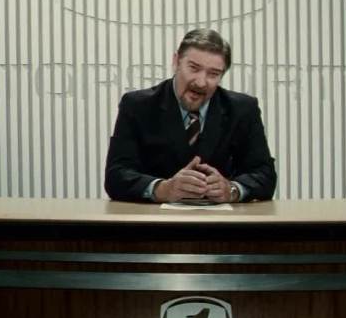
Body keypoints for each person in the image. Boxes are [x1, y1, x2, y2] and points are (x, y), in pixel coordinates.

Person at [104, 28, 277, 203]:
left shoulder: (243, 109)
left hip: (221, 218)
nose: (201, 82)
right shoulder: (137, 106)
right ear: (176, 61)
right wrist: (162, 189)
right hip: (155, 217)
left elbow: (265, 175)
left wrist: (232, 190)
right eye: (194, 68)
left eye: (213, 74)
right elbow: (116, 176)